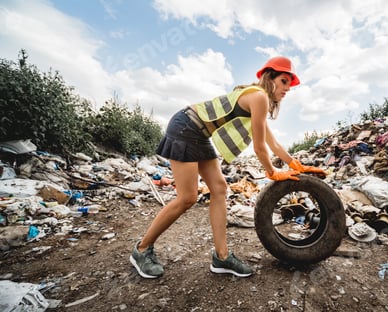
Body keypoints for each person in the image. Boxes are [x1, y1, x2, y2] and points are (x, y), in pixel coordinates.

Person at [130, 56, 325, 279]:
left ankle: (221, 258)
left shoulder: (257, 98)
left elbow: (273, 143)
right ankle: (142, 249)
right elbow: (260, 147)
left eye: (289, 84)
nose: (287, 89)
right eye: (284, 81)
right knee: (187, 197)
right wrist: (272, 172)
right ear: (270, 78)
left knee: (220, 189)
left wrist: (296, 165)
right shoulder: (259, 96)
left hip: (199, 133)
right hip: (186, 127)